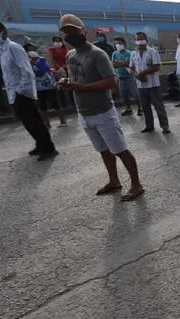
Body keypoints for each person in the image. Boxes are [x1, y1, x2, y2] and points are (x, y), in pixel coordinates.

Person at [59, 14, 144, 201]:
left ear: (84, 32)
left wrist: (81, 88)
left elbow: (111, 82)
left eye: (74, 31)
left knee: (120, 149)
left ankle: (136, 185)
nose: (70, 35)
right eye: (67, 32)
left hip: (103, 111)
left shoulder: (97, 54)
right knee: (103, 150)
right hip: (84, 112)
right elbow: (76, 78)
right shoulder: (70, 55)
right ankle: (114, 181)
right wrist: (67, 82)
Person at [0, 18, 57, 160]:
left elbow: (27, 71)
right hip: (14, 93)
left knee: (34, 121)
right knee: (28, 121)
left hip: (22, 92)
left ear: (3, 32)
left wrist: (21, 91)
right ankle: (40, 144)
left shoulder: (14, 47)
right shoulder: (2, 50)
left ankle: (48, 148)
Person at [129, 32, 170, 134]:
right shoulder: (133, 53)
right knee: (145, 107)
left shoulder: (153, 52)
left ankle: (165, 126)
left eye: (142, 39)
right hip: (141, 85)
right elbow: (131, 68)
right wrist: (136, 75)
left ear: (146, 40)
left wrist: (143, 73)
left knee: (158, 106)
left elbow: (157, 66)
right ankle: (149, 125)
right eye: (138, 39)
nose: (140, 41)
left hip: (153, 84)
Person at [28, 50, 66, 128]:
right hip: (38, 88)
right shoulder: (28, 64)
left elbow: (41, 71)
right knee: (42, 106)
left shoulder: (42, 60)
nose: (32, 59)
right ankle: (47, 124)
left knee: (55, 104)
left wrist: (34, 64)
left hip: (49, 86)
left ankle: (63, 121)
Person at [112, 37, 142, 117]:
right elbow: (113, 64)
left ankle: (140, 108)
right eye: (117, 43)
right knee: (124, 95)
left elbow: (127, 63)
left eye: (120, 43)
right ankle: (128, 109)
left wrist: (119, 63)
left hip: (130, 77)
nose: (118, 45)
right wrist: (121, 63)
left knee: (135, 94)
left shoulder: (129, 53)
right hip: (120, 77)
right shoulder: (114, 53)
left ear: (124, 44)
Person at [47, 35, 70, 109]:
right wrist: (58, 68)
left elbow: (68, 58)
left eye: (58, 41)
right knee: (60, 87)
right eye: (55, 41)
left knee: (70, 85)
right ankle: (63, 104)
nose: (57, 42)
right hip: (58, 70)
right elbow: (51, 60)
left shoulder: (65, 49)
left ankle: (71, 103)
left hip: (67, 69)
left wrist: (65, 66)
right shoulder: (51, 50)